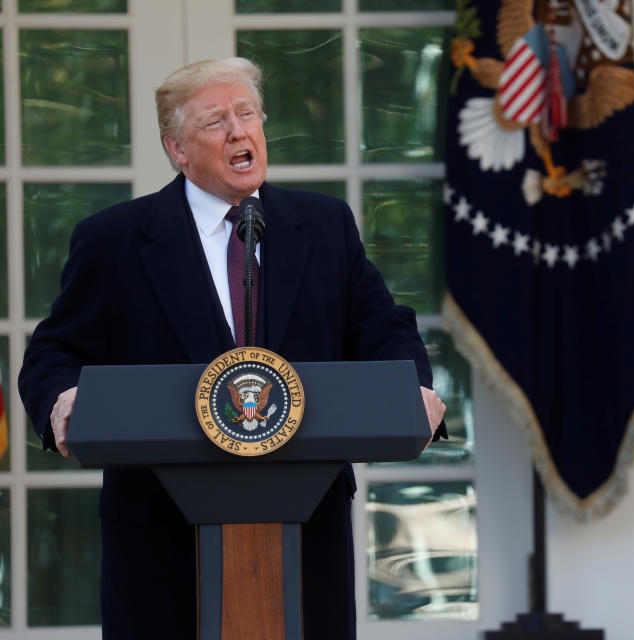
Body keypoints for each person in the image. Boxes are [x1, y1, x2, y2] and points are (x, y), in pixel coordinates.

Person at [18, 57, 446, 639]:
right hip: (160, 539)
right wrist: (61, 400)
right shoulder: (114, 241)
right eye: (216, 121)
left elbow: (382, 325)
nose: (239, 131)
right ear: (178, 148)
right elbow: (53, 353)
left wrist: (411, 388)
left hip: (305, 531)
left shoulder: (324, 226)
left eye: (247, 114)